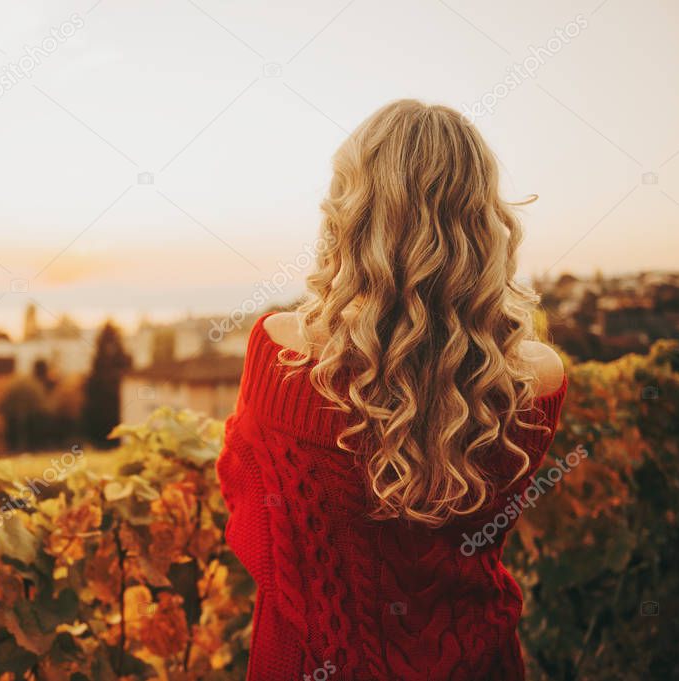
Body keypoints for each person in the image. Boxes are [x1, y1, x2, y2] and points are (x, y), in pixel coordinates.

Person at [217, 99, 567, 681]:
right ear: (483, 222)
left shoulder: (280, 350)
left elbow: (247, 509)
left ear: (347, 211)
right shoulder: (538, 378)